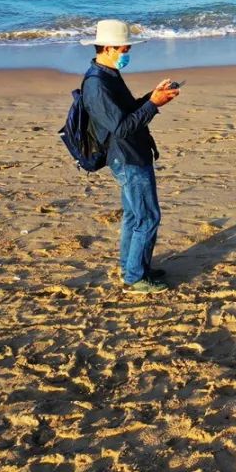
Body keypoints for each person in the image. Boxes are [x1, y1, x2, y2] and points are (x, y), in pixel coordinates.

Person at [81, 19, 180, 294]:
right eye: (125, 49)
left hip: (131, 154)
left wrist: (154, 97)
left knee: (133, 216)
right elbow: (122, 128)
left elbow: (128, 113)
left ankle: (132, 267)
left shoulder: (108, 75)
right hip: (127, 158)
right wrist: (152, 105)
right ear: (109, 48)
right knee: (147, 217)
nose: (127, 54)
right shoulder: (97, 84)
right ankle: (135, 278)